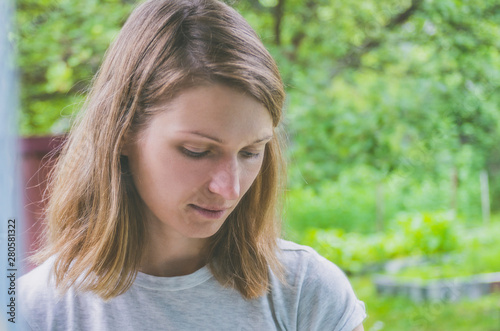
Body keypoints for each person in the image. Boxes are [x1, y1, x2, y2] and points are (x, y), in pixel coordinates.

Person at [19, 0, 366, 330]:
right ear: (122, 132)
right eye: (197, 150)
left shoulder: (308, 292)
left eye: (250, 152)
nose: (229, 188)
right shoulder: (33, 311)